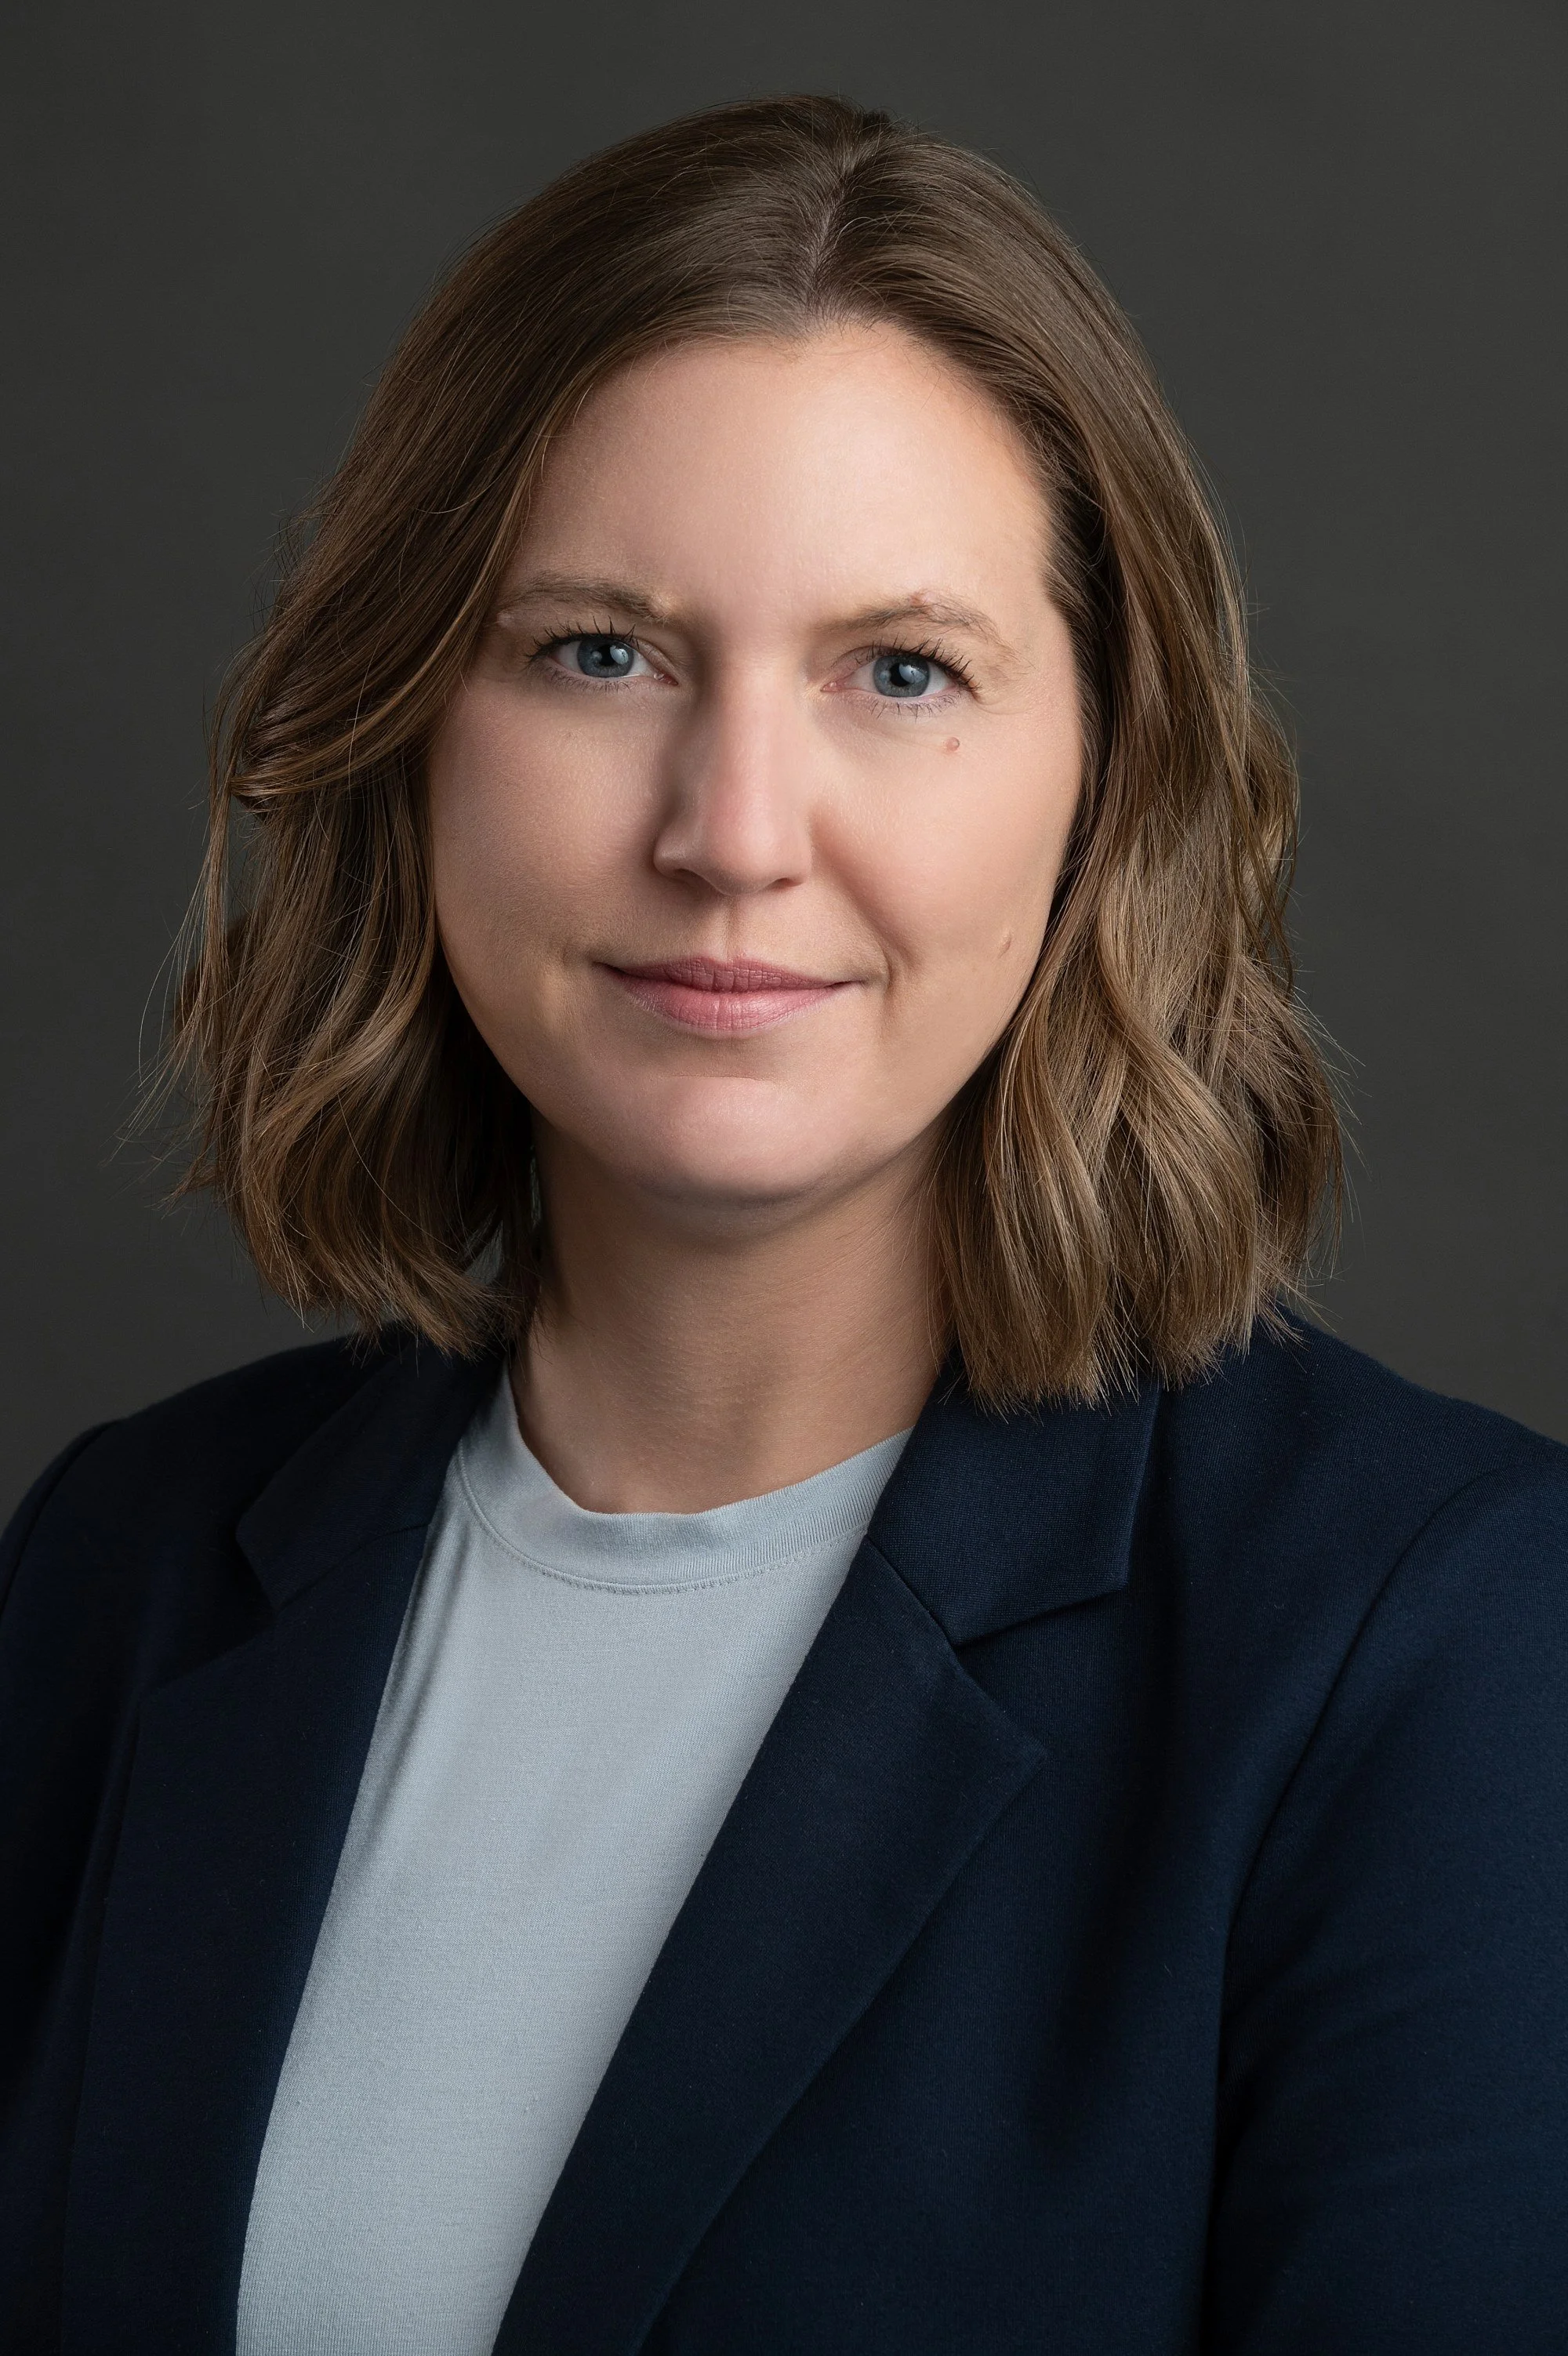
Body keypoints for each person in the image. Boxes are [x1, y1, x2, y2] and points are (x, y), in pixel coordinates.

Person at [2, 93, 1564, 2356]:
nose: (734, 831)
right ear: (409, 722)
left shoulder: (1443, 1652)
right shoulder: (107, 1579)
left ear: (1103, 778)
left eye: (900, 670)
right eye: (599, 652)